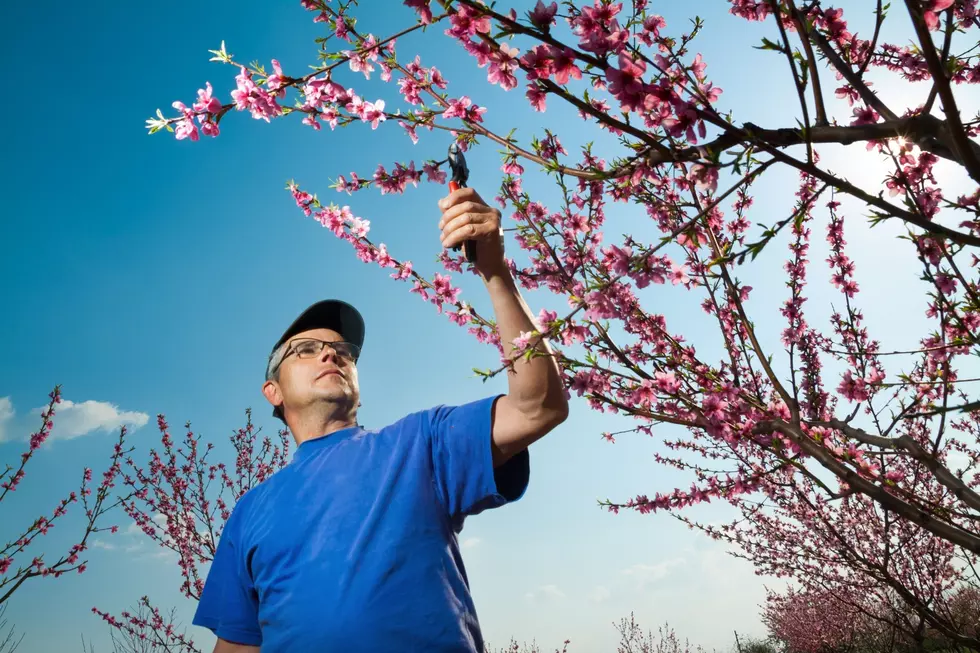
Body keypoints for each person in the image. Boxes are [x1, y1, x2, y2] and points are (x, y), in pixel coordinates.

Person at [192, 186, 569, 652]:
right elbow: (237, 646)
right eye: (306, 350)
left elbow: (538, 406)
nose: (330, 352)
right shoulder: (250, 511)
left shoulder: (419, 443)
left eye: (342, 350)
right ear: (273, 391)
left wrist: (494, 271)